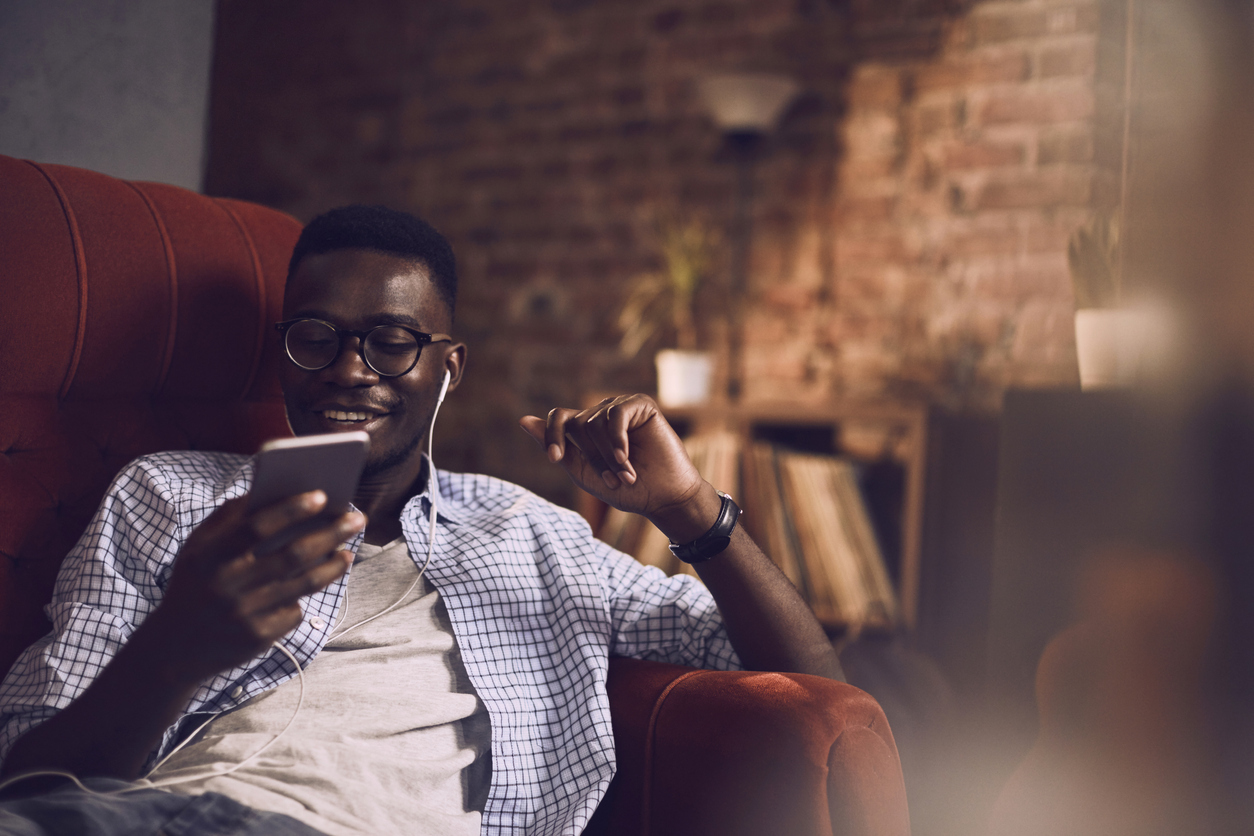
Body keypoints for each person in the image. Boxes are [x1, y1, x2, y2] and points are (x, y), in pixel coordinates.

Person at [0, 206, 841, 835]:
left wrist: (688, 509)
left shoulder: (528, 533)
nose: (347, 370)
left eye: (393, 341)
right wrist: (174, 647)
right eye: (315, 337)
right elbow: (29, 777)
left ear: (450, 367)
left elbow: (813, 680)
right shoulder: (167, 497)